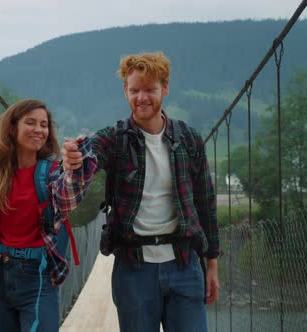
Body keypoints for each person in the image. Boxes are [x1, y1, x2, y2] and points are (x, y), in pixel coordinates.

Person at [61, 52, 220, 332]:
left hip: (184, 265)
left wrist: (212, 265)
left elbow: (206, 203)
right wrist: (75, 158)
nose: (141, 98)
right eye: (134, 90)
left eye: (150, 90)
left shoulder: (189, 139)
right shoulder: (115, 138)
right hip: (133, 269)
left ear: (165, 89)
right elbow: (90, 154)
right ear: (125, 91)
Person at [0, 99, 87, 332]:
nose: (39, 130)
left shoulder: (52, 173)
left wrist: (74, 167)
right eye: (30, 123)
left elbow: (70, 195)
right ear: (12, 127)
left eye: (44, 124)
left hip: (37, 276)